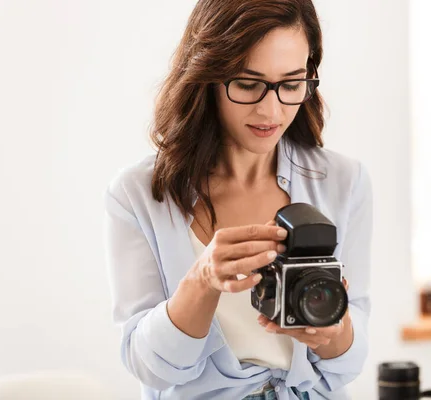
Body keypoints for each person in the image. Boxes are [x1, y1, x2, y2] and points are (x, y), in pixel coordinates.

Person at [103, 0, 373, 399]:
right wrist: (202, 280)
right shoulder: (138, 194)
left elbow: (349, 364)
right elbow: (149, 367)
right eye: (248, 84)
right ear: (207, 74)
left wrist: (334, 330)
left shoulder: (344, 182)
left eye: (291, 84)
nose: (271, 109)